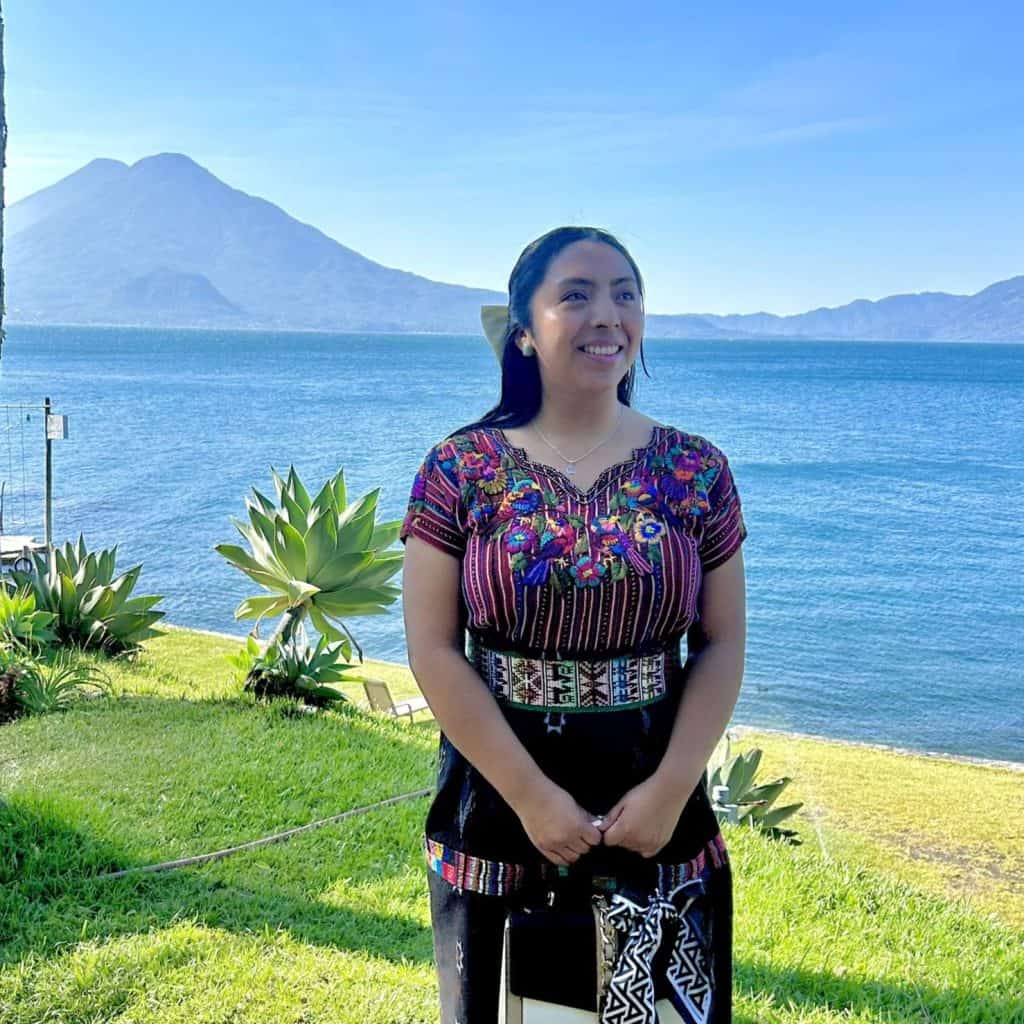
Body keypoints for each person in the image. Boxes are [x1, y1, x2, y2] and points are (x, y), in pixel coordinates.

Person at [400, 226, 748, 1024]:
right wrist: (531, 798)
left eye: (626, 294)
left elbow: (722, 643)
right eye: (577, 295)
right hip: (495, 808)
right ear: (524, 328)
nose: (608, 315)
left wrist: (668, 791)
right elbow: (432, 648)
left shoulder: (697, 469)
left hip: (659, 809)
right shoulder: (460, 468)